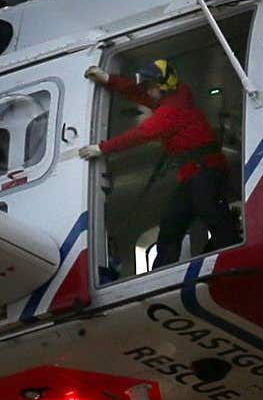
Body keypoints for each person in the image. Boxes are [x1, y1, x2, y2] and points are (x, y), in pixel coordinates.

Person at [78, 56, 236, 262]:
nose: (147, 90)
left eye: (150, 85)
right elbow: (138, 91)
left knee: (213, 216)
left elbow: (141, 134)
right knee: (172, 224)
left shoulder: (171, 109)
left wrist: (101, 148)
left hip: (204, 172)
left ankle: (232, 258)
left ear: (161, 87)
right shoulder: (175, 94)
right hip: (195, 173)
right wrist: (108, 79)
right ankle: (164, 270)